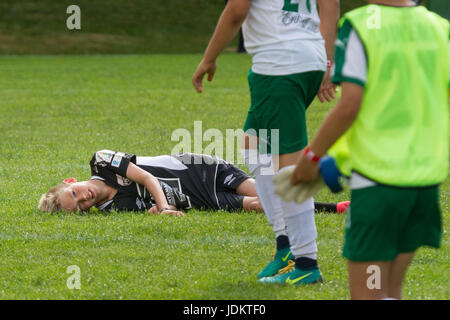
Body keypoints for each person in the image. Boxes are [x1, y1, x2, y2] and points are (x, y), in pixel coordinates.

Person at [285, 0, 448, 299]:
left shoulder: (361, 25)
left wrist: (311, 157)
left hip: (380, 185)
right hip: (425, 184)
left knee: (369, 294)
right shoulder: (438, 27)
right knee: (390, 290)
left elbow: (349, 106)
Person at [192, 0, 340, 285]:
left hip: (280, 65)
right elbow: (330, 3)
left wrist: (209, 58)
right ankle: (286, 246)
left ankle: (306, 263)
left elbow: (237, 10)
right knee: (256, 146)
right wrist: (327, 59)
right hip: (305, 58)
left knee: (289, 167)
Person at [39, 149, 346, 215]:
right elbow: (145, 208)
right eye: (81, 205)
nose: (84, 197)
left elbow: (144, 177)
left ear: (70, 180)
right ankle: (337, 208)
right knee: (259, 205)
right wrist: (157, 213)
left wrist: (162, 206)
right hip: (194, 200)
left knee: (266, 189)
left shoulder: (101, 161)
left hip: (198, 170)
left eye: (75, 192)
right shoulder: (111, 210)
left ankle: (321, 170)